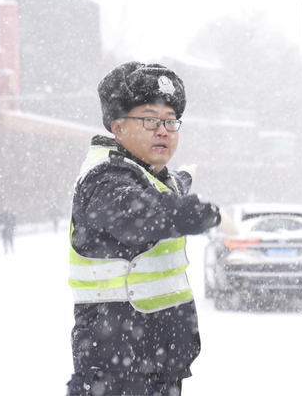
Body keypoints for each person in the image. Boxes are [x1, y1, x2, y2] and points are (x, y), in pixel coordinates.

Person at [66, 62, 231, 396]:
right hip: (116, 375)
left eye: (171, 121)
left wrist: (180, 182)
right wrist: (202, 213)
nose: (163, 130)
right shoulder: (104, 179)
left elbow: (153, 196)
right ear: (117, 127)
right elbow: (141, 213)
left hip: (155, 369)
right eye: (149, 120)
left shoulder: (148, 177)